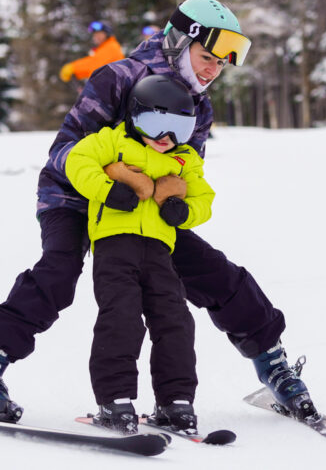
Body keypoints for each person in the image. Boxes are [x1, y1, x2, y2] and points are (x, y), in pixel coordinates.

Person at [0, 0, 316, 424]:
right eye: (207, 57)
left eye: (220, 64)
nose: (213, 71)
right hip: (74, 199)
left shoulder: (199, 107)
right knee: (58, 273)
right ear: (178, 43)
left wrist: (176, 200)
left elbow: (185, 172)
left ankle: (273, 366)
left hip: (141, 213)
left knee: (215, 273)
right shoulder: (117, 78)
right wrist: (111, 180)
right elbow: (64, 151)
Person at [65, 74, 214, 434]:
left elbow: (203, 199)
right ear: (134, 116)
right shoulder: (112, 142)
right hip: (115, 247)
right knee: (122, 317)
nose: (166, 138)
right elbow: (77, 161)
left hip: (161, 253)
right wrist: (108, 190)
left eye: (178, 127)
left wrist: (184, 212)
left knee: (175, 320)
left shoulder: (184, 160)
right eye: (155, 124)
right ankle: (115, 401)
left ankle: (176, 402)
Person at [59, 21, 124, 84]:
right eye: (94, 34)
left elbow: (94, 64)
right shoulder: (103, 48)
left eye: (99, 34)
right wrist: (75, 73)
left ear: (107, 34)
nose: (96, 37)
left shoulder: (111, 47)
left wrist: (73, 68)